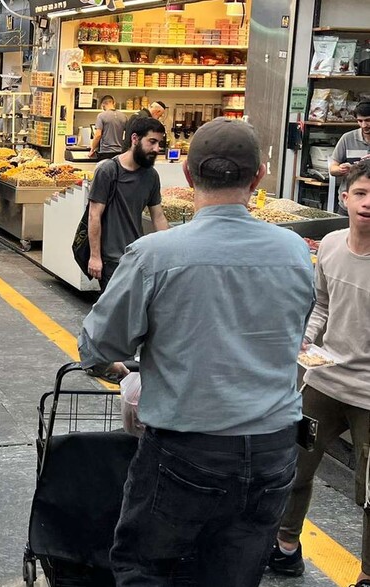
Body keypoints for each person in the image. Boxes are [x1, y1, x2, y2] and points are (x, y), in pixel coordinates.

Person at [79, 117, 316, 587]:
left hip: (188, 449)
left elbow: (100, 344)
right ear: (259, 177)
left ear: (186, 174)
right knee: (235, 573)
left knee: (148, 570)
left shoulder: (154, 254)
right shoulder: (293, 249)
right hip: (274, 447)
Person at [270, 159, 370, 585]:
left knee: (369, 495)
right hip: (324, 381)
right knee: (294, 469)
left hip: (368, 395)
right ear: (344, 197)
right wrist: (305, 339)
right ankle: (285, 547)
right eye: (362, 193)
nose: (368, 203)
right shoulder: (328, 245)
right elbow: (323, 306)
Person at [86, 116, 171, 290]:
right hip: (111, 259)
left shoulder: (151, 176)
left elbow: (158, 216)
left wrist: (171, 250)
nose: (157, 149)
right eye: (152, 142)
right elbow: (94, 215)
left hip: (136, 256)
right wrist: (95, 257)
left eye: (159, 144)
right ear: (134, 139)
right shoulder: (108, 170)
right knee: (114, 313)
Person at [329, 100, 370, 212]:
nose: (364, 125)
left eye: (368, 120)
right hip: (347, 206)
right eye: (360, 121)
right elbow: (332, 169)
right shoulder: (347, 138)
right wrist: (341, 169)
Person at [88, 95, 129, 161]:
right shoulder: (124, 116)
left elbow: (98, 135)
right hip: (120, 153)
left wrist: (92, 150)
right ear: (114, 103)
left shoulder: (101, 116)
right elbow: (129, 134)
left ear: (103, 104)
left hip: (106, 152)